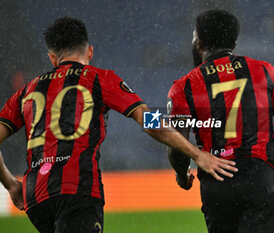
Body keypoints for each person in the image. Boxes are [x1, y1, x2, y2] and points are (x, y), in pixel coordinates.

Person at [0, 16, 238, 233]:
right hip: (77, 190)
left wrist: (10, 184)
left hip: (36, 197)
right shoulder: (98, 78)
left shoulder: (27, 90)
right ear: (90, 51)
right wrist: (197, 154)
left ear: (52, 57)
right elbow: (148, 120)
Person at [167, 10, 274, 233]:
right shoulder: (264, 71)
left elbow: (176, 145)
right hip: (259, 179)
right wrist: (266, 158)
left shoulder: (184, 86)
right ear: (234, 41)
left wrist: (182, 175)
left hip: (217, 181)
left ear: (199, 43)